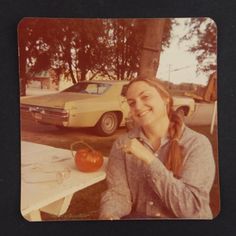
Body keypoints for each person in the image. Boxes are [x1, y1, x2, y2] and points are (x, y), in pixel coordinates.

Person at [99, 77, 216, 220]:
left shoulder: (197, 144)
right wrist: (109, 215)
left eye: (145, 97)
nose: (138, 106)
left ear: (165, 99)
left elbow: (190, 208)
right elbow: (118, 193)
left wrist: (149, 160)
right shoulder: (122, 143)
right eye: (132, 103)